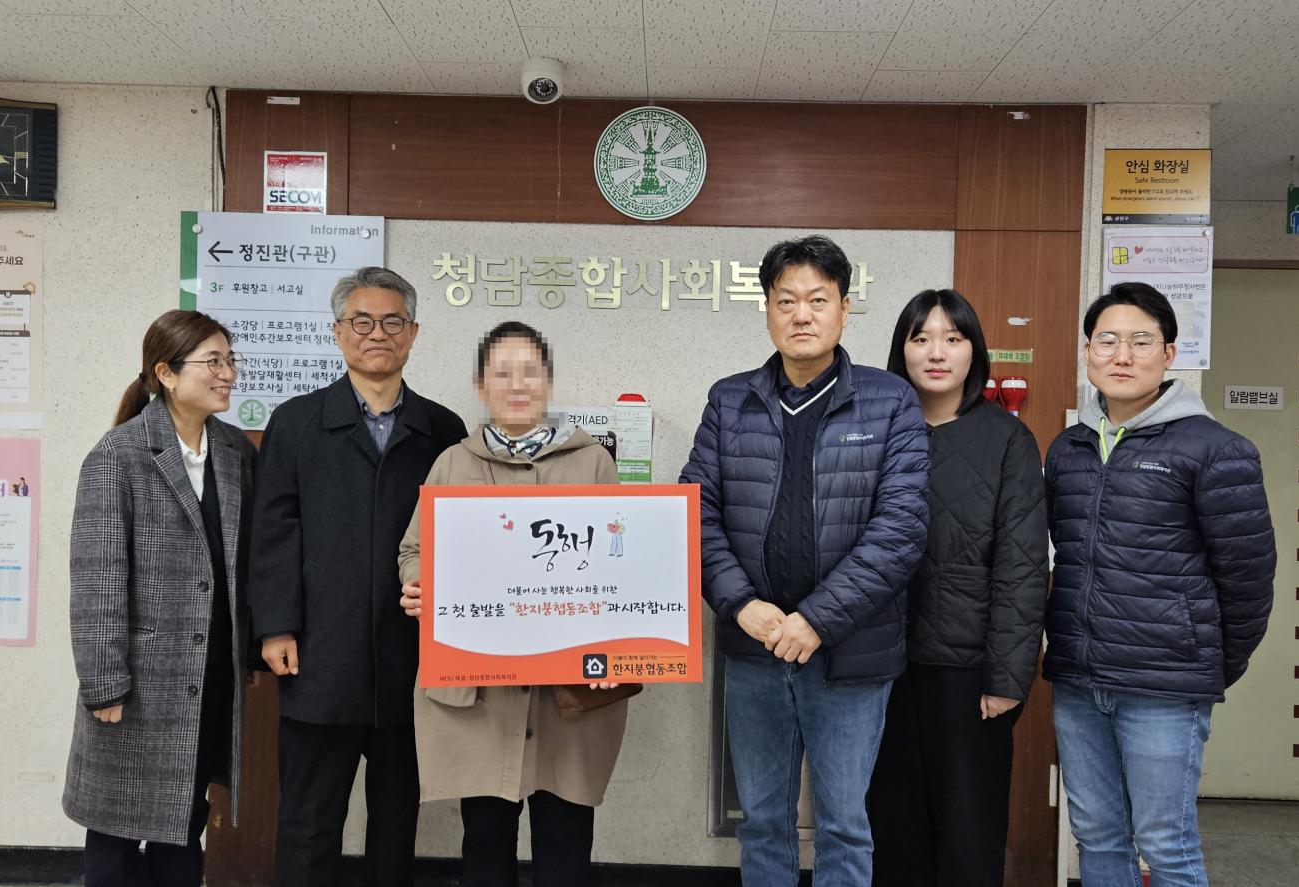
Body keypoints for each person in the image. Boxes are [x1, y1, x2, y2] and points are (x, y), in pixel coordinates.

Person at [678, 235, 929, 886]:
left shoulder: (889, 400)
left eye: (818, 299)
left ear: (845, 309)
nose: (802, 314)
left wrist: (816, 619)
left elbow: (901, 529)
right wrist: (742, 604)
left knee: (844, 823)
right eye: (786, 300)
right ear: (767, 310)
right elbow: (694, 512)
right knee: (763, 819)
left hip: (850, 653)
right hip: (754, 647)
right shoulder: (730, 400)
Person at [1044, 282, 1276, 887]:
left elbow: (1249, 579)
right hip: (1078, 680)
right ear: (1087, 351)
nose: (1122, 355)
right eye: (1107, 341)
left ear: (1169, 353)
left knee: (1165, 844)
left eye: (1141, 341)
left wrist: (1207, 664)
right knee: (1096, 836)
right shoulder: (1068, 448)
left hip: (1164, 687)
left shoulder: (1216, 449)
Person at [247, 267, 467, 887]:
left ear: (414, 333)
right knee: (309, 819)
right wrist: (276, 625)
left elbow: (463, 536)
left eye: (393, 321)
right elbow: (273, 531)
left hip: (412, 655)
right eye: (362, 321)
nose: (378, 333)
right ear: (338, 332)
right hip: (321, 654)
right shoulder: (296, 422)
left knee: (397, 819)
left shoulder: (443, 430)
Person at [396, 321, 630, 887]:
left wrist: (617, 645)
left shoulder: (593, 462)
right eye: (503, 373)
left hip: (566, 693)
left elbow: (620, 565)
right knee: (484, 840)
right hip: (480, 690)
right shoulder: (452, 463)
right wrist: (419, 583)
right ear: (481, 386)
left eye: (530, 371)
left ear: (549, 381)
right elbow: (414, 549)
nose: (518, 384)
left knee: (565, 840)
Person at [62, 309, 256, 886]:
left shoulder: (234, 451)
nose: (227, 373)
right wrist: (103, 682)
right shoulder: (118, 454)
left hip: (209, 675)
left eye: (230, 360)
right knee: (116, 831)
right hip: (139, 682)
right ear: (166, 373)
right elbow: (96, 577)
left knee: (184, 822)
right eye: (212, 361)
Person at [867, 289, 1048, 887]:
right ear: (901, 351)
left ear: (975, 352)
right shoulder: (874, 432)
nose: (936, 353)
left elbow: (1023, 566)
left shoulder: (1008, 441)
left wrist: (1007, 677)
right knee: (890, 828)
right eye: (920, 338)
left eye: (952, 338)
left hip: (969, 673)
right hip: (879, 666)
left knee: (968, 832)